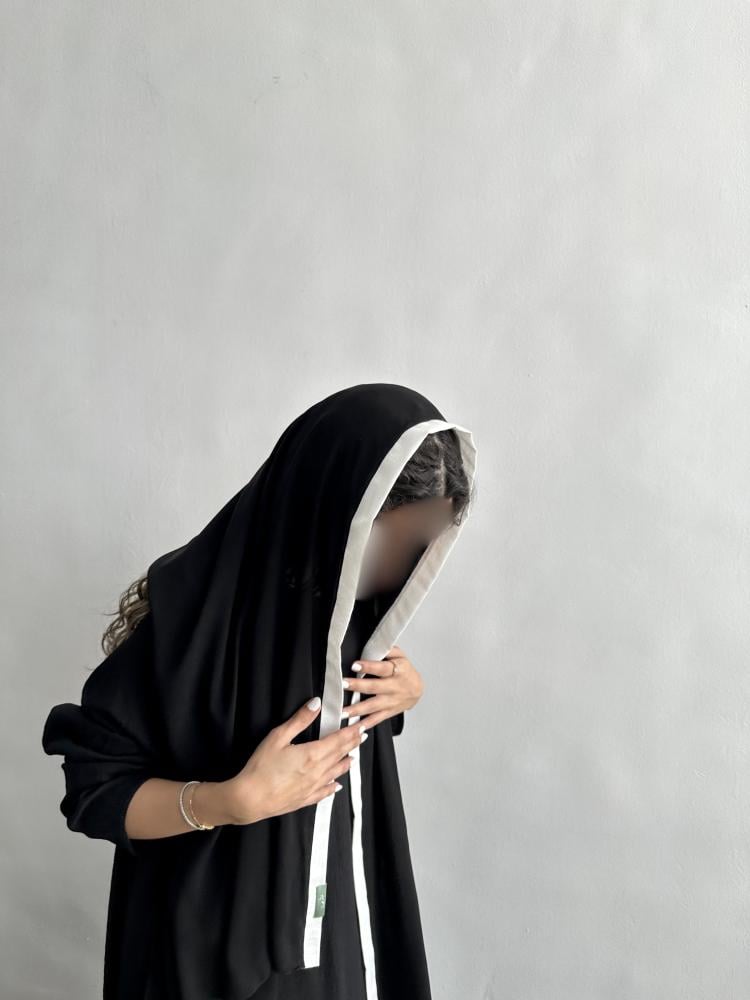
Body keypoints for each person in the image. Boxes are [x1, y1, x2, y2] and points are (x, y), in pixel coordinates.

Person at [42, 382, 478, 1000]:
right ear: (333, 510)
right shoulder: (193, 623)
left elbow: (333, 734)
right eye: (396, 540)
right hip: (207, 959)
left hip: (341, 940)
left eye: (422, 546)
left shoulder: (357, 619)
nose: (403, 567)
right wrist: (229, 802)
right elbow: (93, 789)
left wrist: (401, 696)